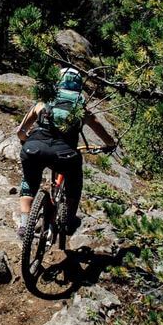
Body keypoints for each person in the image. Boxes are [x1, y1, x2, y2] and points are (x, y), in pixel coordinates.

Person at [15, 67, 118, 239]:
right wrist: (110, 144)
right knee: (74, 184)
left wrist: (26, 140)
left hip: (34, 148)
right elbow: (102, 133)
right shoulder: (80, 109)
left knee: (29, 183)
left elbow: (20, 132)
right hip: (65, 155)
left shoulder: (43, 103)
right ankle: (68, 222)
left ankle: (25, 225)